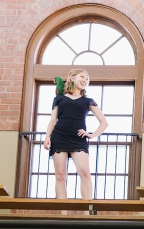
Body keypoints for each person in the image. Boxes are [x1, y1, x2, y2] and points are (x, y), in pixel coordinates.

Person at [42, 68, 108, 200]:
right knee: (60, 176)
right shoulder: (59, 99)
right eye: (82, 77)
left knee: (85, 173)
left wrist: (92, 135)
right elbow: (53, 120)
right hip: (59, 137)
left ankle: (86, 213)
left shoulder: (88, 101)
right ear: (72, 78)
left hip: (78, 139)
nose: (85, 80)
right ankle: (63, 215)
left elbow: (104, 122)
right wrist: (47, 137)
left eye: (87, 79)